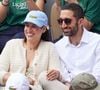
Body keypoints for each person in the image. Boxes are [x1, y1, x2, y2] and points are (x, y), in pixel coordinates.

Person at [0, 10, 61, 90]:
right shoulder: (11, 44)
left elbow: (56, 72)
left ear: (43, 29)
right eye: (27, 25)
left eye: (34, 26)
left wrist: (56, 74)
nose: (28, 29)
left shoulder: (50, 47)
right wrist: (19, 80)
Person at [54, 3, 100, 89]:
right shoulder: (58, 46)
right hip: (69, 87)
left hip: (93, 86)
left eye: (67, 21)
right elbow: (64, 75)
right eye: (60, 21)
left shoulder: (97, 41)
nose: (63, 25)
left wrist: (79, 84)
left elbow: (97, 76)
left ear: (80, 22)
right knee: (45, 78)